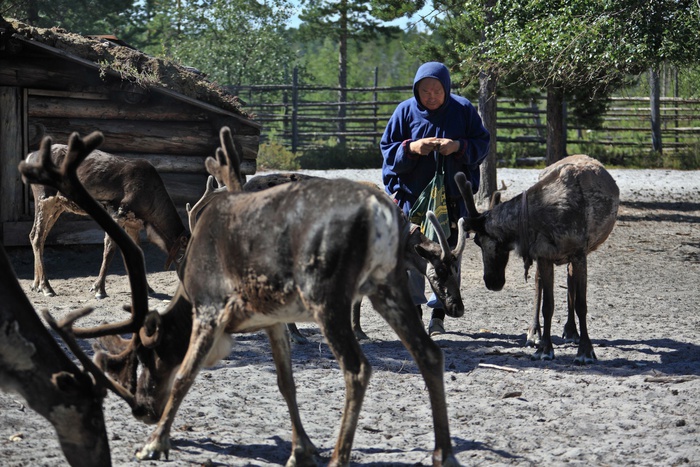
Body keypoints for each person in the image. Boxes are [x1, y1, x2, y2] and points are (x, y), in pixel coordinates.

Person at [380, 61, 490, 336]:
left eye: (436, 90)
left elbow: (482, 143)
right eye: (424, 91)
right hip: (413, 202)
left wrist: (458, 147)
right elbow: (387, 150)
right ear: (416, 91)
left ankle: (438, 315)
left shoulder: (463, 109)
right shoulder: (405, 111)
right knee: (412, 258)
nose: (430, 96)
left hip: (451, 203)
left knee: (448, 258)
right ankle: (414, 312)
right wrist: (411, 148)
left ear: (447, 89)